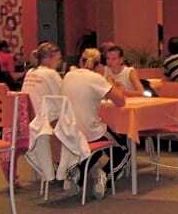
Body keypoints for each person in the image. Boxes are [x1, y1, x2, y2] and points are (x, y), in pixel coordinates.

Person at [61, 48, 130, 198]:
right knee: (125, 148)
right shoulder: (96, 79)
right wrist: (110, 83)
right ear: (99, 65)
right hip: (90, 132)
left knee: (92, 148)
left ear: (81, 61)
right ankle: (104, 174)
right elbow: (121, 101)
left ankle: (78, 171)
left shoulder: (68, 76)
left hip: (69, 131)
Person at [21, 43, 63, 116]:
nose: (59, 63)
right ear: (48, 58)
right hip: (44, 119)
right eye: (58, 59)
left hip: (29, 117)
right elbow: (62, 99)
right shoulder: (51, 73)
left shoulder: (30, 72)